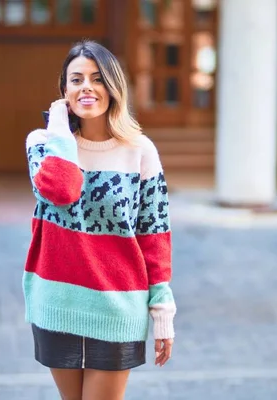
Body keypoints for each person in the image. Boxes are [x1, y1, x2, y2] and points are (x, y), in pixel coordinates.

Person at [23, 40, 176, 400]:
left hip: (117, 304)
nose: (86, 87)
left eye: (97, 78)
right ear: (64, 91)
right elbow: (62, 189)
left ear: (113, 87)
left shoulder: (139, 150)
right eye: (76, 80)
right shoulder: (43, 144)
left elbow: (154, 235)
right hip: (57, 300)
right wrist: (61, 128)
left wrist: (162, 311)